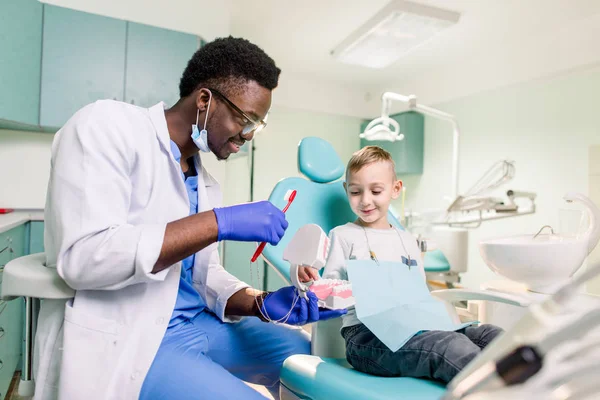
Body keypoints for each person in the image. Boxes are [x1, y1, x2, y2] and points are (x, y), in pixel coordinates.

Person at [37, 36, 345, 400]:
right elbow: (85, 257)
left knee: (320, 364)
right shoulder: (105, 126)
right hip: (137, 336)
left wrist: (261, 303)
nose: (247, 136)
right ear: (204, 100)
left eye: (257, 126)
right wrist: (217, 222)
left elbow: (201, 277)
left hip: (199, 321)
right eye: (246, 120)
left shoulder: (204, 181)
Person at [298, 146, 502, 383]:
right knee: (451, 346)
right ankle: (500, 391)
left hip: (417, 325)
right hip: (367, 336)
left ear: (395, 189)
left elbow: (418, 292)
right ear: (346, 190)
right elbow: (329, 293)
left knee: (490, 335)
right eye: (355, 192)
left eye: (376, 190)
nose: (365, 200)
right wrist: (313, 282)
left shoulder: (407, 240)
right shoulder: (343, 236)